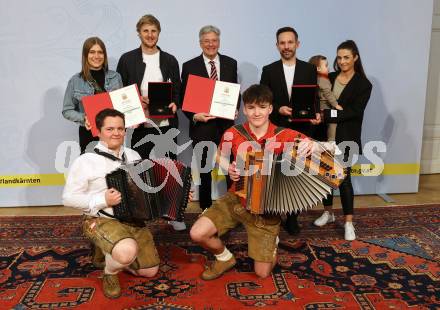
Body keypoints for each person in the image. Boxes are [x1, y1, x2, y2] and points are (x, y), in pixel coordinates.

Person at [189, 84, 312, 280]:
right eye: (252, 107)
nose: (257, 113)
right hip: (236, 198)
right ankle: (224, 257)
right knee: (197, 233)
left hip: (267, 208)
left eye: (262, 107)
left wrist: (310, 144)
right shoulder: (233, 133)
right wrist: (227, 166)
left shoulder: (284, 135)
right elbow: (219, 155)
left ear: (270, 109)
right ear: (244, 109)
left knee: (262, 273)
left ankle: (272, 241)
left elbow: (319, 147)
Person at [62, 109, 160, 299]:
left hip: (132, 219)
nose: (116, 133)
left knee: (150, 271)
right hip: (100, 219)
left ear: (125, 131)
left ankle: (110, 251)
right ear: (98, 131)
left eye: (120, 129)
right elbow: (68, 198)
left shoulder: (133, 155)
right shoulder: (85, 160)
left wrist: (175, 199)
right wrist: (102, 200)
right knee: (126, 252)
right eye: (110, 129)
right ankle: (110, 272)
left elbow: (144, 189)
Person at [117, 14, 185, 231]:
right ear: (139, 33)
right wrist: (137, 101)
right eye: (145, 30)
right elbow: (120, 92)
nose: (150, 35)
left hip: (166, 125)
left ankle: (173, 214)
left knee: (170, 170)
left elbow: (178, 90)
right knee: (141, 171)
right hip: (140, 125)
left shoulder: (170, 60)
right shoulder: (127, 59)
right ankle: (141, 216)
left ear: (159, 33)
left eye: (153, 30)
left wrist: (175, 103)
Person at [260, 26, 320, 235]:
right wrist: (278, 108)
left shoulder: (309, 69)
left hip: (301, 129)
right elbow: (263, 99)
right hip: (277, 129)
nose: (286, 46)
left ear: (297, 44)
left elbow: (314, 98)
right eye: (282, 43)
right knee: (276, 173)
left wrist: (317, 113)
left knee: (296, 174)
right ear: (277, 45)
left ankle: (293, 217)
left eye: (290, 42)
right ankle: (274, 214)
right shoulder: (268, 70)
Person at [314, 40, 372, 241]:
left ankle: (348, 222)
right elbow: (318, 100)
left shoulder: (363, 84)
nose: (342, 61)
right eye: (339, 57)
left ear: (355, 57)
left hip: (347, 138)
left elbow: (354, 112)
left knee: (345, 180)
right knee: (325, 178)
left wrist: (326, 114)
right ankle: (328, 213)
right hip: (325, 136)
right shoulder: (329, 77)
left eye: (346, 57)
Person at [181, 25, 238, 211]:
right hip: (202, 127)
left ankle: (234, 208)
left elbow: (234, 91)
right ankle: (205, 209)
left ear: (219, 42)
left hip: (226, 126)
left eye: (214, 40)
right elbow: (183, 98)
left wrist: (235, 109)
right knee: (205, 171)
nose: (211, 44)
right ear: (200, 43)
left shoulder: (231, 63)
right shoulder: (189, 66)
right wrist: (194, 115)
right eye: (207, 41)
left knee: (231, 169)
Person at [62, 37, 123, 154]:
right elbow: (67, 110)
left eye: (100, 52)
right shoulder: (75, 81)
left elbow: (121, 106)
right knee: (91, 170)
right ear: (86, 55)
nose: (96, 56)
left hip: (113, 135)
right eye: (92, 52)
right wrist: (84, 118)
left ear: (104, 55)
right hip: (88, 135)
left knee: (114, 170)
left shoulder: (116, 77)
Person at [308, 55, 343, 141]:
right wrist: (336, 104)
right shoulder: (323, 79)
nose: (328, 68)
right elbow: (328, 93)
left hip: (319, 107)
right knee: (333, 122)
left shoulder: (314, 79)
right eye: (326, 66)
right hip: (325, 107)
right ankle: (331, 140)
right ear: (318, 68)